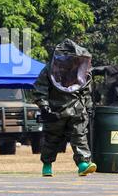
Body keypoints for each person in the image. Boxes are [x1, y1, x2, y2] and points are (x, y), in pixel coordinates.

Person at [33, 39, 97, 177]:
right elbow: (40, 89)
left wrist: (89, 106)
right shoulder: (49, 70)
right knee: (52, 139)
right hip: (56, 110)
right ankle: (47, 165)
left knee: (79, 136)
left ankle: (83, 164)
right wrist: (44, 107)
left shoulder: (82, 69)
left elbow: (86, 91)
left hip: (77, 109)